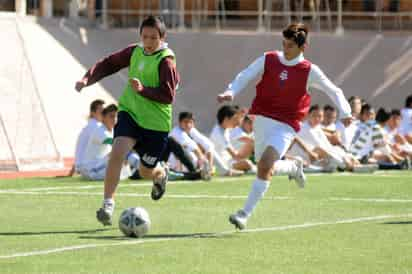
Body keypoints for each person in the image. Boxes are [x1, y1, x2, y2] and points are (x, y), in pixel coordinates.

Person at [217, 23, 352, 230]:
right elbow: (246, 74)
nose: (285, 49)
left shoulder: (309, 70)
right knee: (265, 167)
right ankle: (293, 166)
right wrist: (231, 91)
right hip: (261, 120)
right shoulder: (269, 58)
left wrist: (346, 112)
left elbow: (333, 91)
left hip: (286, 126)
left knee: (264, 166)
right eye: (283, 44)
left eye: (289, 46)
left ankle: (244, 214)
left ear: (302, 48)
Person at [75, 16, 180, 226]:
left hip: (155, 124)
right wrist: (87, 78)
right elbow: (109, 64)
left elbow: (167, 96)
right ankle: (107, 204)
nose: (148, 42)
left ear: (162, 37)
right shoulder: (134, 51)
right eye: (144, 37)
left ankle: (160, 174)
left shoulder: (167, 61)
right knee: (117, 151)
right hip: (130, 113)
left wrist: (143, 90)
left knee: (145, 171)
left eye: (153, 38)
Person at [78, 104, 139, 180]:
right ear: (103, 118)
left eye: (116, 116)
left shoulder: (113, 131)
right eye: (111, 116)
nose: (115, 119)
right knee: (122, 150)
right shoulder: (99, 130)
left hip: (101, 166)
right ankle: (141, 167)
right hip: (92, 169)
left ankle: (139, 170)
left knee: (122, 154)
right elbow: (115, 143)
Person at [210, 105, 255, 174]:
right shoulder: (219, 134)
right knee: (247, 163)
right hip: (225, 163)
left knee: (251, 146)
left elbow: (238, 122)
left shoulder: (225, 127)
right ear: (226, 119)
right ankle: (255, 169)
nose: (236, 122)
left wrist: (241, 115)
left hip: (231, 159)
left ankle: (252, 168)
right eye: (234, 119)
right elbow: (235, 156)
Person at [71, 99, 105, 176]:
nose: (104, 114)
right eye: (101, 111)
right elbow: (110, 142)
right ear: (92, 113)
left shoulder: (91, 126)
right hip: (88, 168)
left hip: (84, 167)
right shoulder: (95, 126)